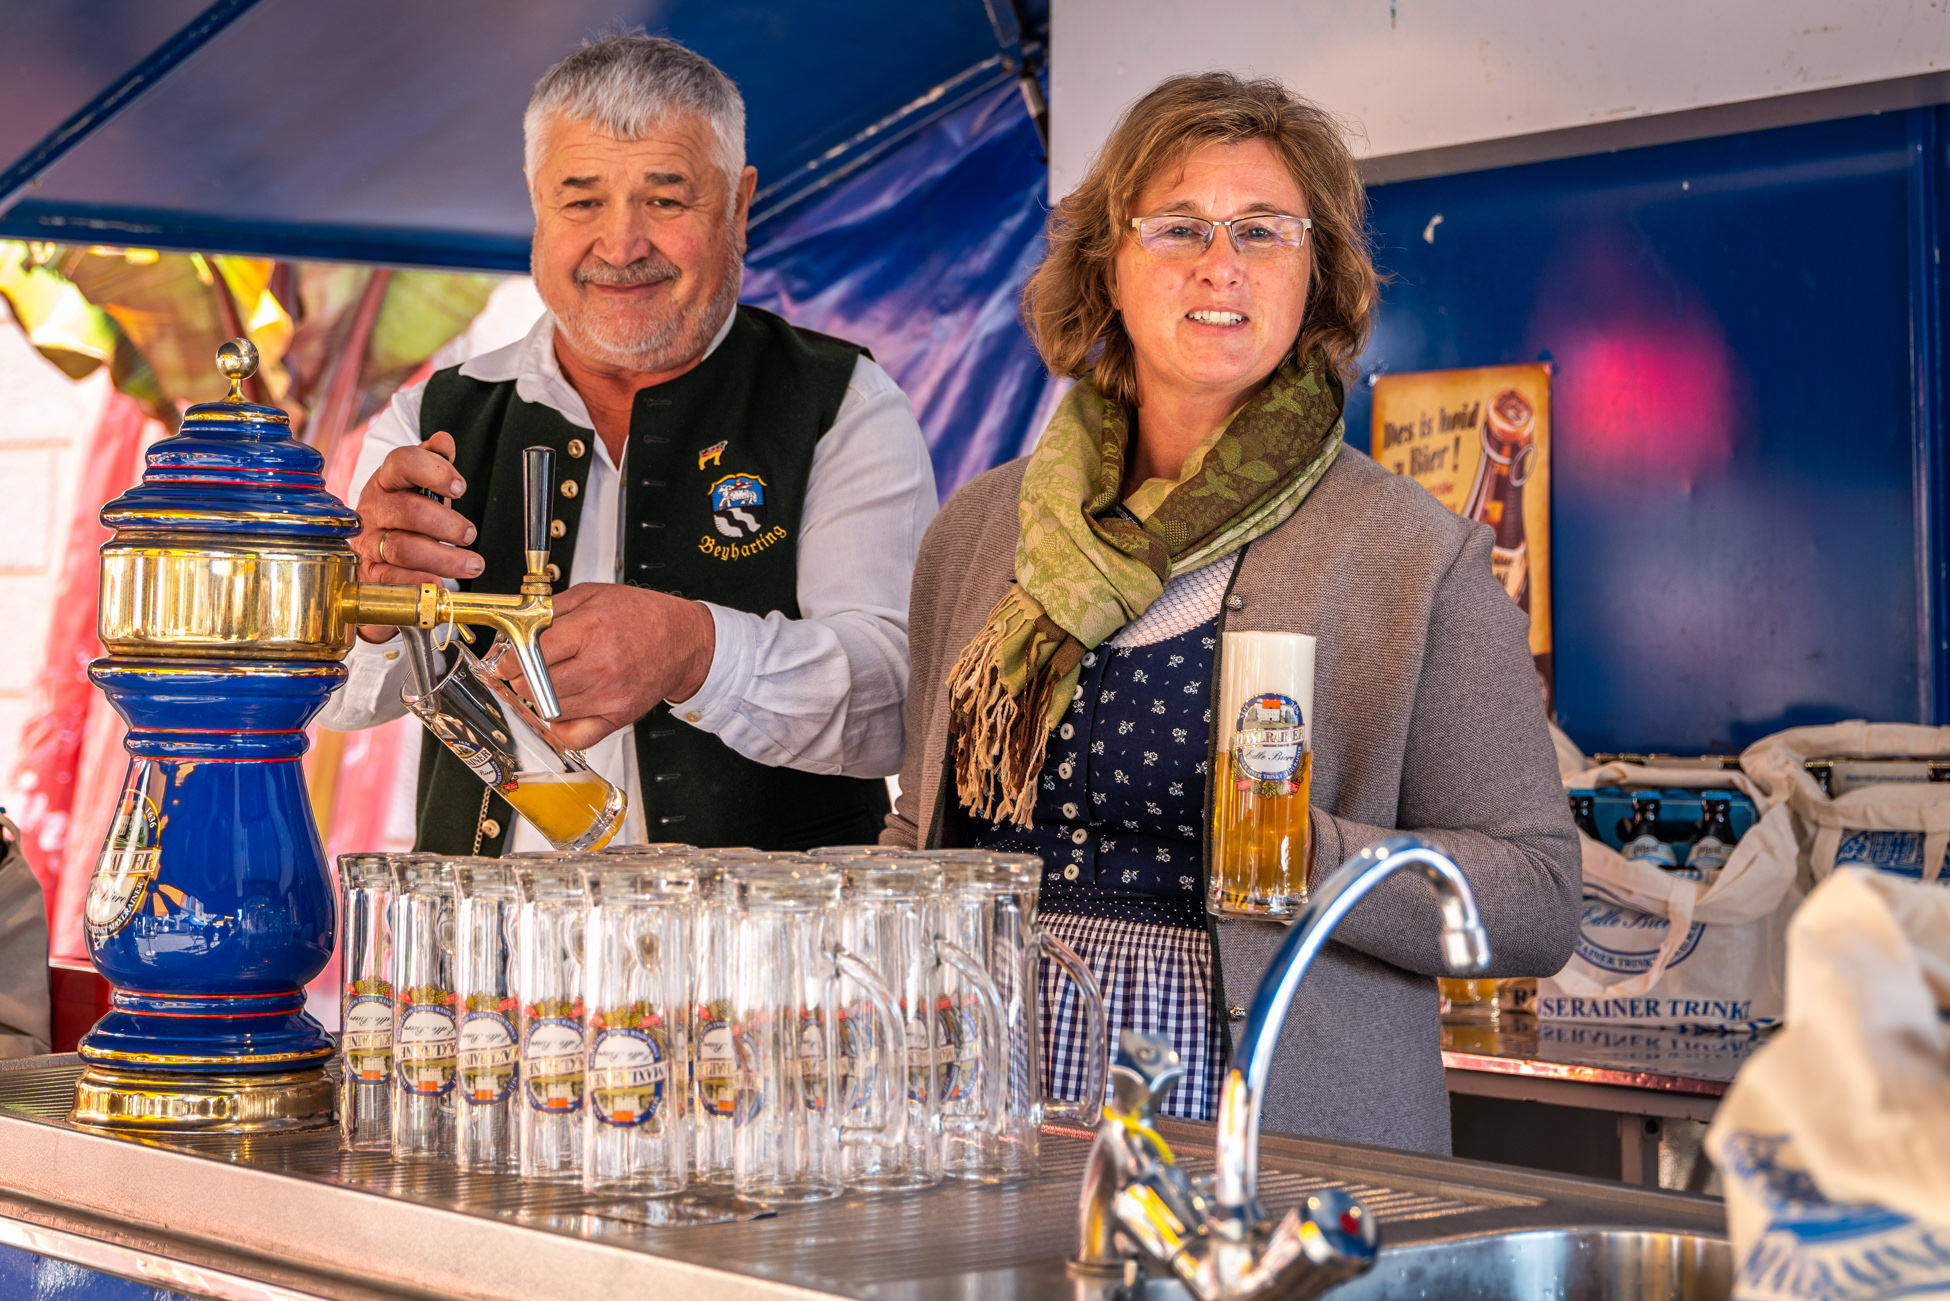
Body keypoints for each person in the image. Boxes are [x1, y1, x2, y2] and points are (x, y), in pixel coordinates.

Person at [884, 73, 1579, 1153]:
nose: (1222, 264)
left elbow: (1536, 900)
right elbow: (927, 822)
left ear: (1317, 274)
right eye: (1178, 227)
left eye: (1263, 230)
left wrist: (1303, 851)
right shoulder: (978, 529)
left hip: (1256, 1120)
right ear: (1108, 266)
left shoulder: (1413, 555)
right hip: (981, 1097)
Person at [319, 35, 936, 853]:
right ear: (536, 203)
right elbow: (338, 703)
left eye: (666, 200)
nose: (621, 245)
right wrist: (365, 607)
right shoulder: (429, 418)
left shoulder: (843, 403)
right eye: (581, 202)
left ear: (739, 206)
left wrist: (696, 652)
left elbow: (904, 707)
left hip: (760, 933)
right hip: (491, 930)